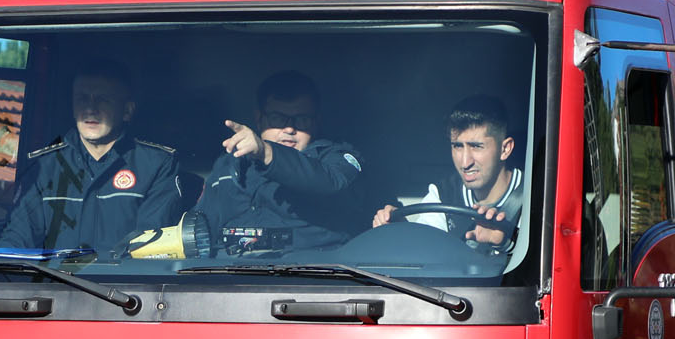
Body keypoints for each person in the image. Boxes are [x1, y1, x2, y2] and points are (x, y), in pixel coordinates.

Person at [0, 59, 183, 255]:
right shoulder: (43, 167)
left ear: (127, 111)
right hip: (53, 285)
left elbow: (149, 249)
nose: (90, 109)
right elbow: (15, 243)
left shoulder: (157, 165)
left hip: (122, 285)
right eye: (82, 99)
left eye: (103, 99)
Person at [195, 70, 366, 252]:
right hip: (226, 274)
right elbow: (201, 229)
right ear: (259, 119)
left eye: (302, 119)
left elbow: (330, 181)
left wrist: (267, 153)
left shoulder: (336, 157)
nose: (289, 128)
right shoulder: (229, 164)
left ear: (316, 122)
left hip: (312, 274)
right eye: (277, 118)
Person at [372, 93, 527, 250]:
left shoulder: (535, 197)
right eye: (457, 146)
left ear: (505, 149)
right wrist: (402, 231)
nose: (465, 162)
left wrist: (505, 244)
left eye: (476, 146)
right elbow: (422, 250)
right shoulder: (442, 194)